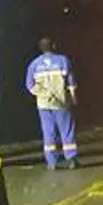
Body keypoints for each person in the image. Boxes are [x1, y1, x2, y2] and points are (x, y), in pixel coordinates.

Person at [26, 37, 79, 170]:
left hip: (44, 105)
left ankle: (51, 162)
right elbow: (71, 81)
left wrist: (43, 94)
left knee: (48, 132)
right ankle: (71, 159)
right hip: (62, 102)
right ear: (54, 46)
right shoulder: (63, 60)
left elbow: (29, 85)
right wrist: (73, 98)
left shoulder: (34, 64)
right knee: (66, 130)